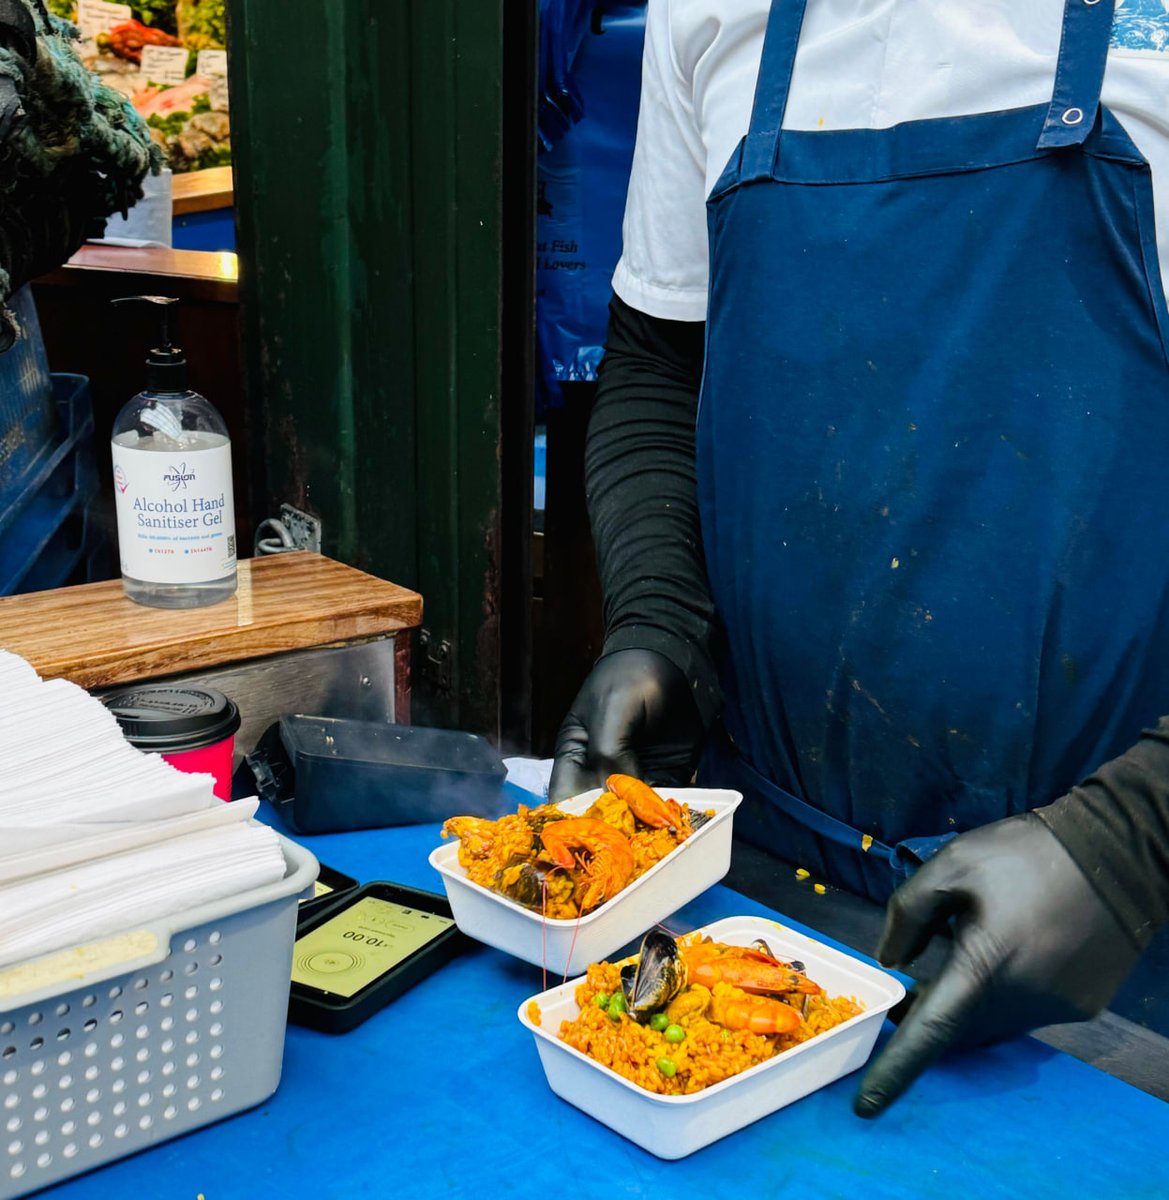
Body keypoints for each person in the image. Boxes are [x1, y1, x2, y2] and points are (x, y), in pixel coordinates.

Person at [549, 0, 1169, 1117]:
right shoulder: (705, 14)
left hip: (1109, 949)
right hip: (771, 899)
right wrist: (658, 621)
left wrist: (1139, 833)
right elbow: (655, 365)